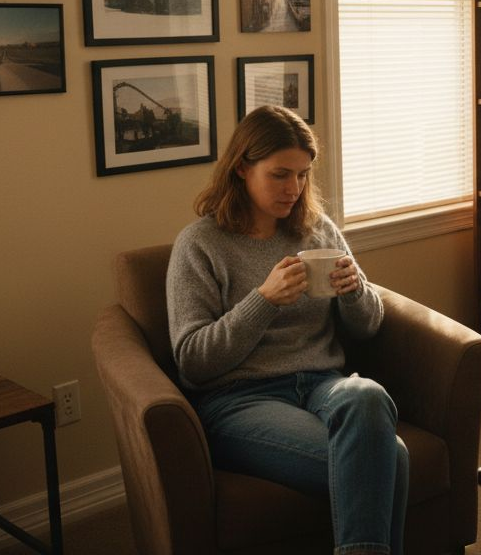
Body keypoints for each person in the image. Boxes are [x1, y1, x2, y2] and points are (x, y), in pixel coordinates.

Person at [167, 105, 407, 555]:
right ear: (242, 167)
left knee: (368, 394)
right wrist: (264, 300)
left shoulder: (318, 231)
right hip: (239, 400)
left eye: (302, 175)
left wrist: (354, 291)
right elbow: (193, 363)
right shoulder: (200, 245)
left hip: (322, 385)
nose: (294, 189)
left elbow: (369, 326)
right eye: (280, 175)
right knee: (391, 458)